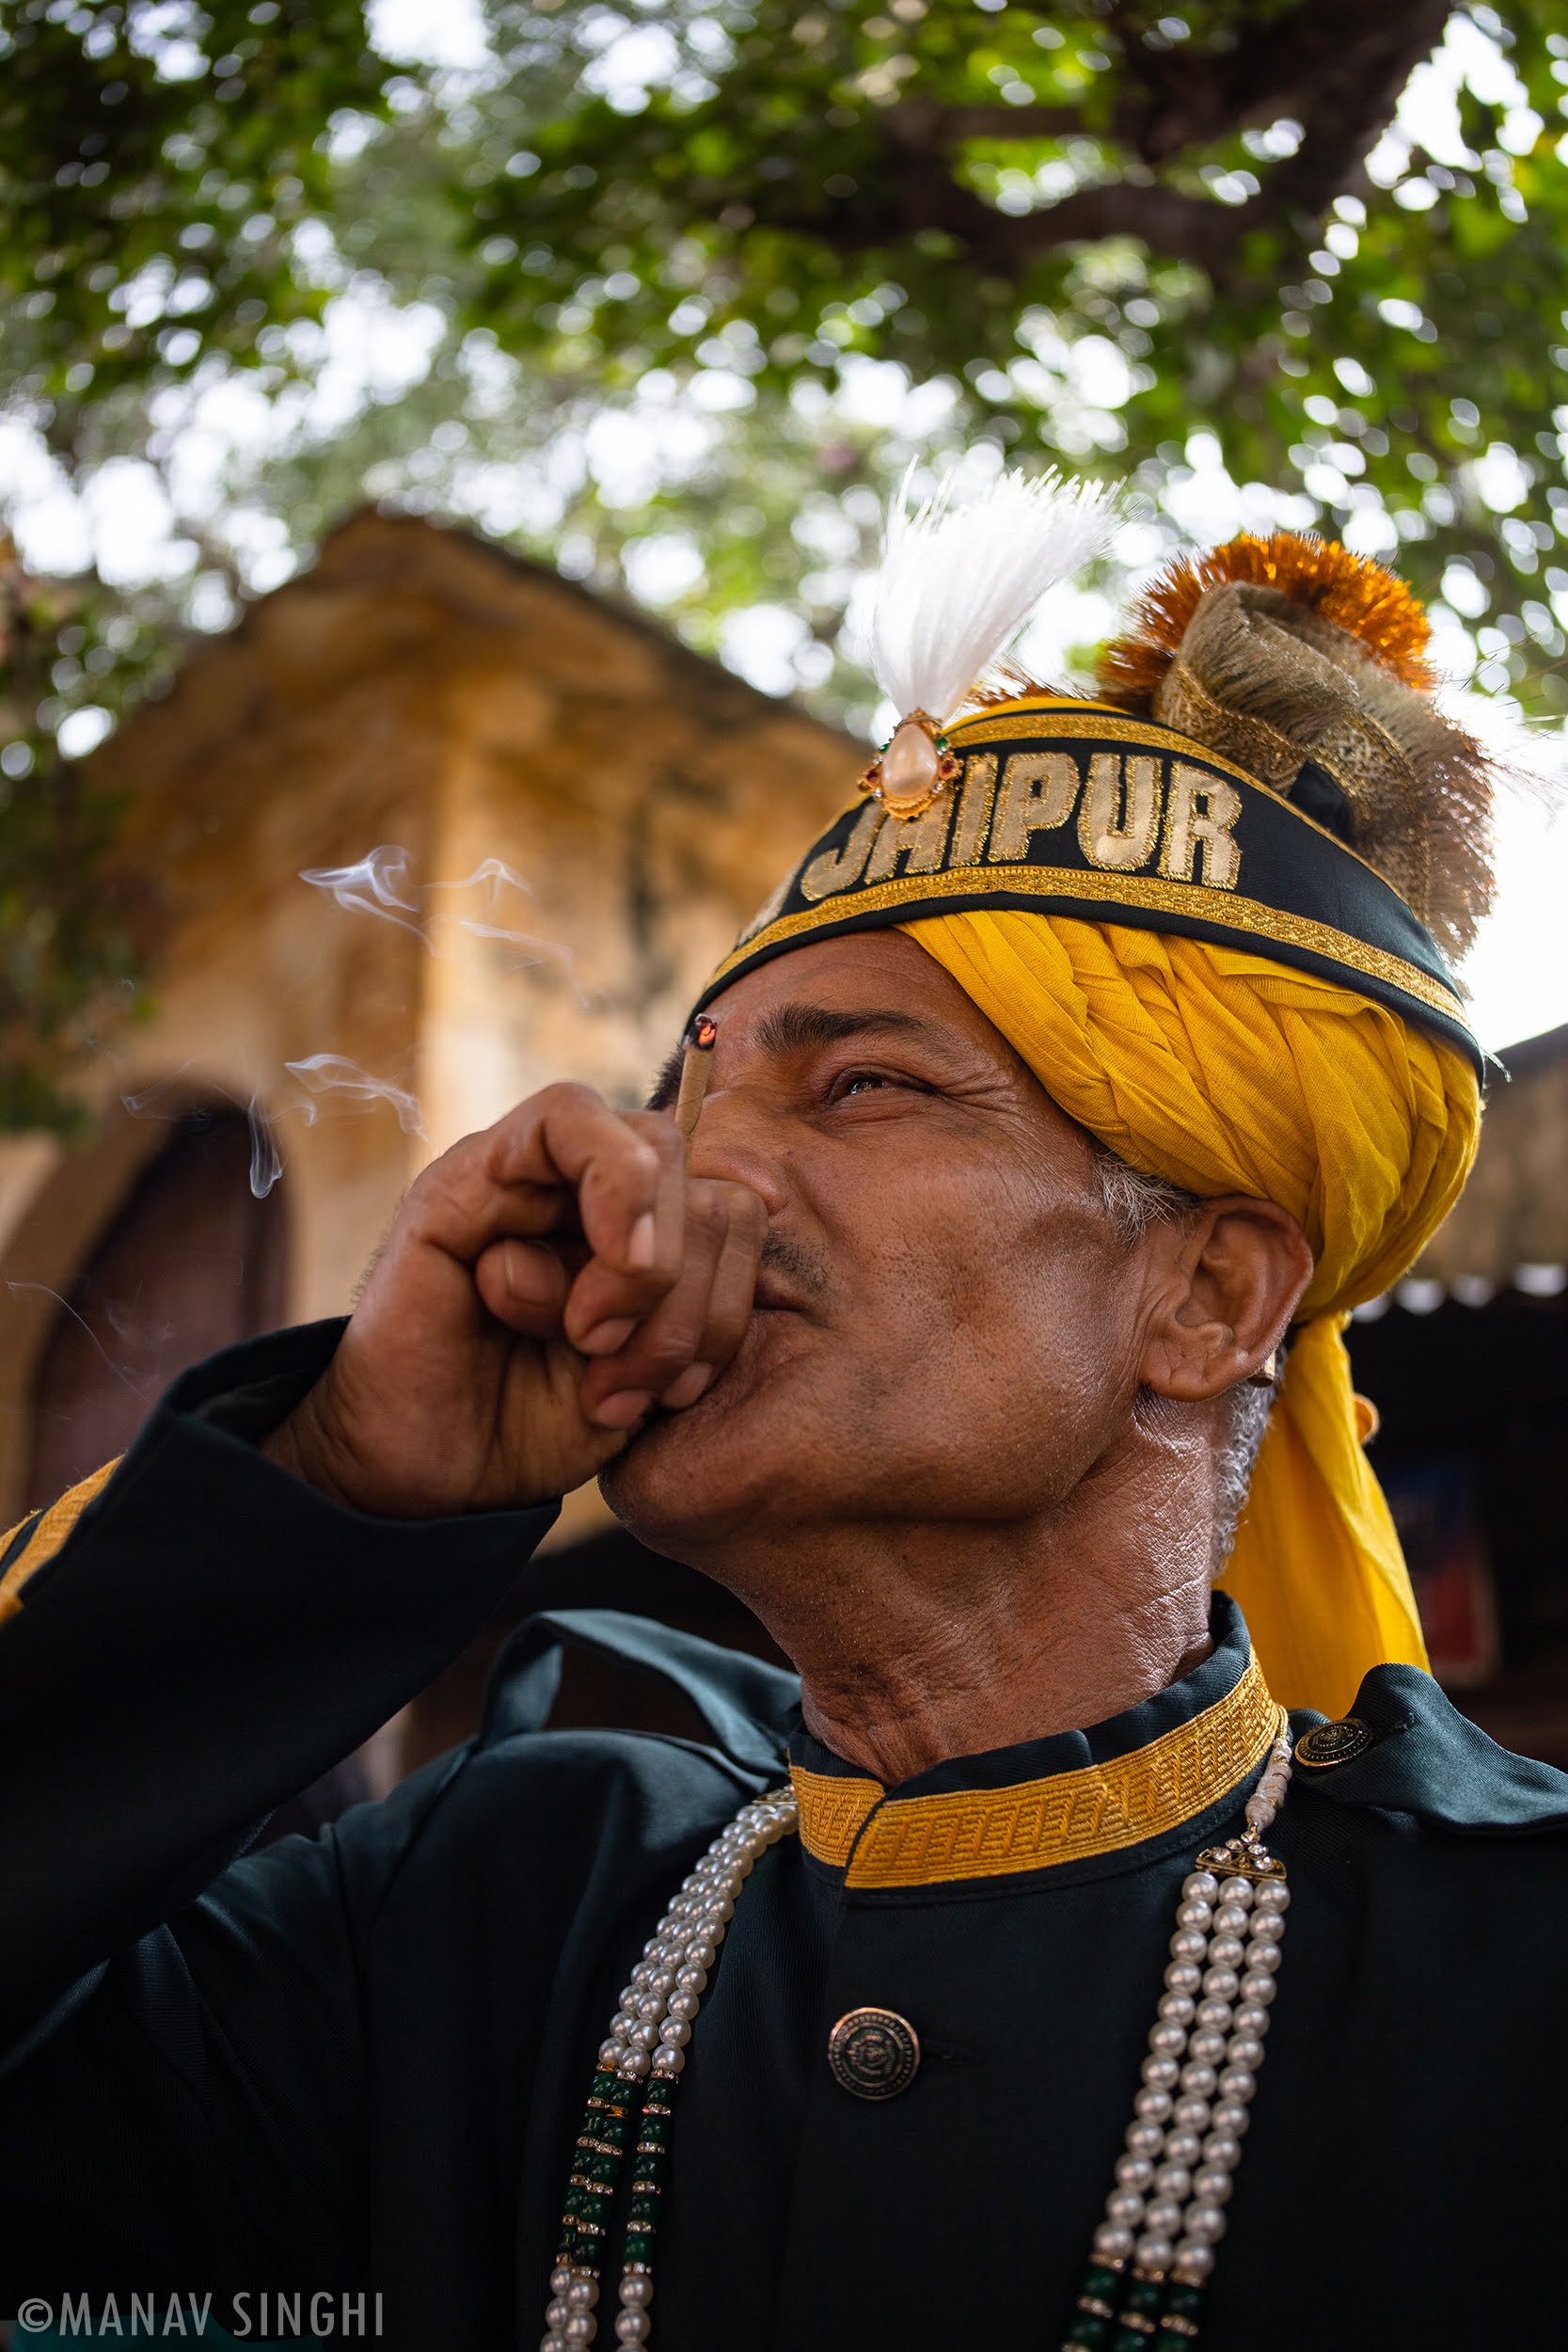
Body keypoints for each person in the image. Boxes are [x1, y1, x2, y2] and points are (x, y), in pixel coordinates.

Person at [3, 477, 1564, 2352]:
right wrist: (341, 1482)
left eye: (866, 1090)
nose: (684, 1171)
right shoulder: (487, 1912)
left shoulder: (1512, 1973)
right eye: (698, 1090)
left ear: (1208, 1293)